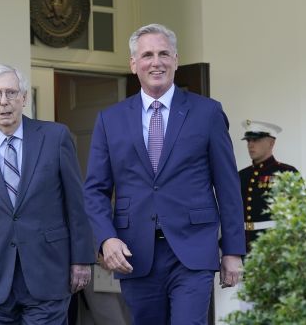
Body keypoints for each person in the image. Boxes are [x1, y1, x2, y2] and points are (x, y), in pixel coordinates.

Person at [84, 23, 246, 324]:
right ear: (133, 64)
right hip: (136, 253)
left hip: (193, 249)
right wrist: (106, 238)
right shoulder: (110, 120)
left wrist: (233, 250)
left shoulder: (207, 113)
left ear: (176, 60)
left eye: (163, 54)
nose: (155, 62)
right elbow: (94, 190)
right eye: (146, 55)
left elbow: (227, 186)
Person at [0, 64, 95, 324]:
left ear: (24, 98)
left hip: (47, 272)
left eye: (11, 93)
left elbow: (76, 204)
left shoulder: (55, 137)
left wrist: (81, 259)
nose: (4, 102)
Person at [239, 119, 299, 252]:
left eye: (256, 140)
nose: (250, 145)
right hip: (243, 246)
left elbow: (298, 214)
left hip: (274, 246)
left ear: (271, 143)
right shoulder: (241, 175)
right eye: (248, 140)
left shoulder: (287, 173)